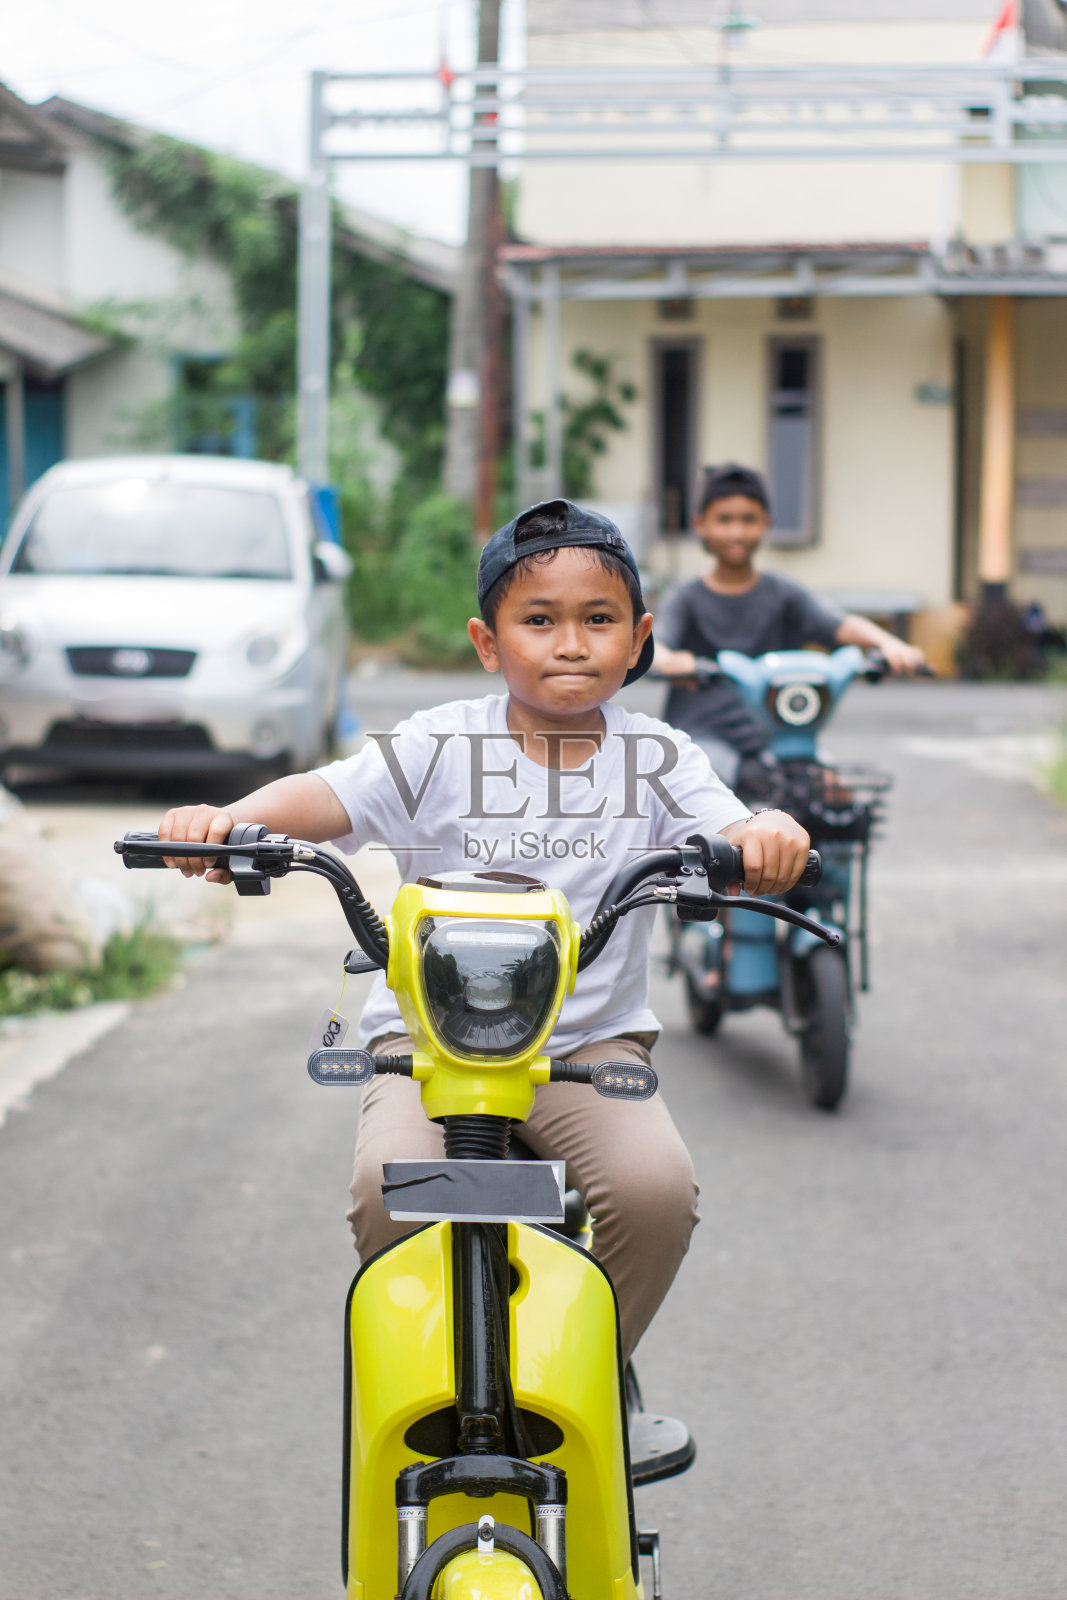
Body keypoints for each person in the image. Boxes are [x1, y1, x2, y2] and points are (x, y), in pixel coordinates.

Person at [156, 498, 811, 1364]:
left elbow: (726, 824)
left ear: (639, 635)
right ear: (488, 642)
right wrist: (229, 819)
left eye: (598, 619)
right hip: (431, 1048)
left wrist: (765, 831)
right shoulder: (435, 742)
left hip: (587, 1044)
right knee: (386, 1197)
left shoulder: (658, 755)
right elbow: (328, 794)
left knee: (654, 1194)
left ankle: (578, 1372)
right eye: (538, 620)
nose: (570, 642)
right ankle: (429, 1370)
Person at [654, 463, 928, 791]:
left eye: (748, 520)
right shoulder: (685, 597)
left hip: (778, 734)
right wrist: (671, 661)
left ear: (766, 523)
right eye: (724, 520)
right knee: (711, 795)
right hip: (704, 738)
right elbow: (654, 646)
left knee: (833, 796)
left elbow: (839, 624)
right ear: (701, 524)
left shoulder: (782, 593)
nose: (737, 532)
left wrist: (890, 646)